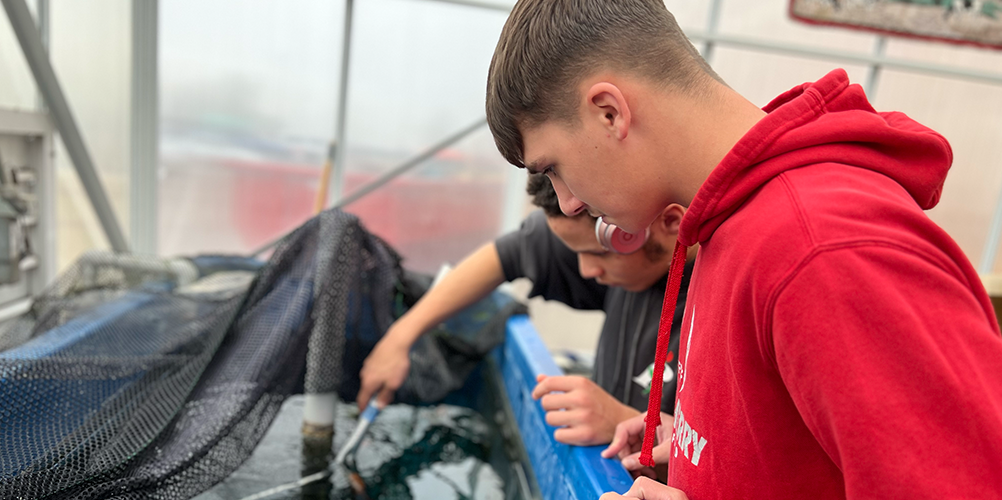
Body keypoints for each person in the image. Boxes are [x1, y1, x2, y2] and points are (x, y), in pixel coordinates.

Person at [484, 0, 1002, 498]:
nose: (569, 203)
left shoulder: (821, 248)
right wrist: (701, 454)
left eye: (553, 168)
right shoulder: (725, 227)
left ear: (608, 113)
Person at [358, 173, 695, 447]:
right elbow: (507, 255)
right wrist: (400, 337)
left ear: (668, 223)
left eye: (600, 253)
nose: (587, 271)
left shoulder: (713, 313)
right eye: (575, 252)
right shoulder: (631, 260)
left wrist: (621, 421)